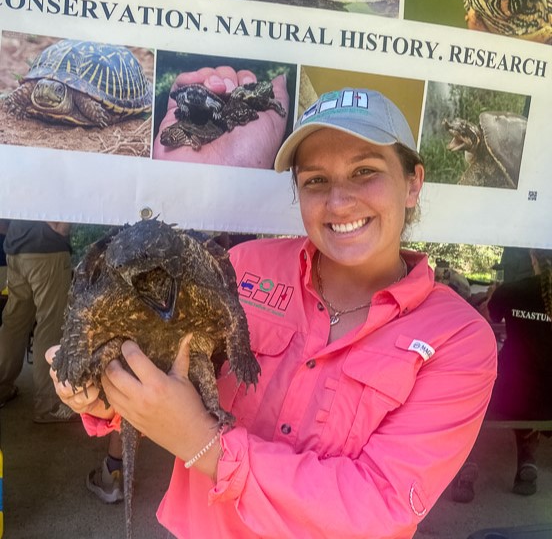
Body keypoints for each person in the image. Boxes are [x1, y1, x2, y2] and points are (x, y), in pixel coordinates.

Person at [47, 88, 497, 538]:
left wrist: (201, 443)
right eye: (316, 180)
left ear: (413, 183)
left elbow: (379, 505)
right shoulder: (244, 268)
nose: (339, 202)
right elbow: (163, 377)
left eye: (365, 172)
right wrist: (101, 395)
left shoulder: (457, 338)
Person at [484, 248, 552, 496]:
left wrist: (493, 298)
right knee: (534, 387)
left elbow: (480, 324)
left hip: (514, 399)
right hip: (547, 401)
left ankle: (465, 463)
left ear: (533, 258)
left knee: (483, 388)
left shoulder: (511, 291)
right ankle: (527, 459)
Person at [0, 219, 76, 423]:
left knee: (14, 323)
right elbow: (60, 222)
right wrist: (63, 228)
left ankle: (2, 387)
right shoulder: (58, 184)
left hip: (15, 250)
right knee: (50, 325)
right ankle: (48, 404)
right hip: (48, 251)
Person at [153, 66, 289, 169]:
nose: (164, 141)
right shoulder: (182, 125)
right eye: (169, 136)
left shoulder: (225, 111)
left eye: (170, 137)